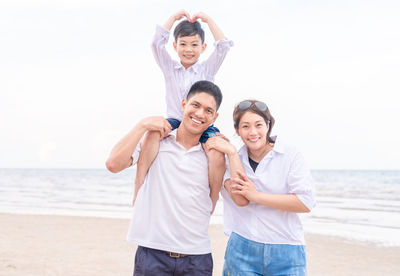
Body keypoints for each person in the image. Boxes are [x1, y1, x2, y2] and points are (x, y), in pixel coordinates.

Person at [106, 81, 223, 276]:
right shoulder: (157, 140)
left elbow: (226, 194)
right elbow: (113, 165)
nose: (200, 114)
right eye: (195, 105)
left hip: (197, 258)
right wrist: (142, 125)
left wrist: (232, 154)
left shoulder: (214, 153)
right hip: (152, 253)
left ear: (215, 117)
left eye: (208, 110)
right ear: (184, 104)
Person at [133, 10, 233, 212]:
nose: (189, 49)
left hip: (203, 123)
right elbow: (155, 44)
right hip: (175, 121)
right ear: (175, 46)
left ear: (202, 47)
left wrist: (209, 20)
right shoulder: (169, 67)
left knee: (216, 153)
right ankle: (138, 190)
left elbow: (222, 47)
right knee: (150, 136)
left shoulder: (207, 69)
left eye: (194, 45)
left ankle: (212, 201)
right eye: (184, 44)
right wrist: (172, 18)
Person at [206, 99, 316, 276]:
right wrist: (233, 153)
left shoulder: (290, 155)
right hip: (242, 248)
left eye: (258, 125)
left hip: (287, 250)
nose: (253, 132)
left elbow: (305, 202)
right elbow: (240, 200)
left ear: (268, 125)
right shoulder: (230, 159)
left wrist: (256, 195)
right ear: (237, 130)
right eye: (245, 126)